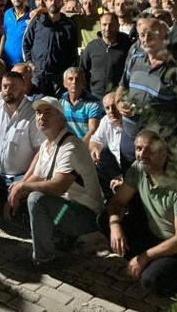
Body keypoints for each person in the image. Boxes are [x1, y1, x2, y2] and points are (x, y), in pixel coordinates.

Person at [102, 130, 177, 297]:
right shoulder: (139, 168)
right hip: (157, 234)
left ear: (163, 154)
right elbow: (117, 202)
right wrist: (115, 227)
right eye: (138, 149)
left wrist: (144, 257)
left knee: (152, 280)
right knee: (106, 220)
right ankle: (144, 264)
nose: (142, 155)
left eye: (150, 150)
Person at [7, 97, 104, 268]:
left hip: (85, 215)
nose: (42, 116)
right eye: (38, 113)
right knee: (21, 203)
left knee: (36, 199)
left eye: (48, 112)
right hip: (65, 207)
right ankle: (60, 237)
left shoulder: (71, 146)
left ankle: (44, 259)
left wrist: (23, 186)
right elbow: (37, 176)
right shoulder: (47, 145)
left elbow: (58, 186)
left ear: (61, 118)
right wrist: (15, 192)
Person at [116, 18, 177, 168]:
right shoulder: (134, 60)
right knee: (130, 181)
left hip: (159, 148)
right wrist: (119, 102)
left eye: (151, 35)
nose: (145, 39)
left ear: (165, 37)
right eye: (142, 35)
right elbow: (122, 87)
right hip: (130, 142)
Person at [0, 71, 44, 206]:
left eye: (13, 87)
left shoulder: (33, 113)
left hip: (21, 176)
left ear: (23, 87)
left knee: (24, 199)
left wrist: (24, 182)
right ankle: (3, 201)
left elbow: (40, 152)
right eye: (5, 86)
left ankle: (11, 202)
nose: (8, 90)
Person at [22, 0, 79, 96]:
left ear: (62, 3)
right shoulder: (37, 21)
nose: (53, 3)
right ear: (46, 2)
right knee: (37, 102)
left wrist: (67, 70)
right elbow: (26, 43)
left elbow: (73, 49)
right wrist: (30, 63)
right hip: (38, 73)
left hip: (59, 76)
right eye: (51, 0)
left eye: (57, 0)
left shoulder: (69, 25)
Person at [80, 12, 132, 99]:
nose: (107, 28)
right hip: (94, 97)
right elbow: (83, 70)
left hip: (117, 97)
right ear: (100, 26)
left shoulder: (127, 47)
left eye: (111, 25)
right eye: (104, 25)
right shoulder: (92, 47)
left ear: (118, 25)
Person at [59, 67, 104, 144]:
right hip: (67, 144)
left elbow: (93, 130)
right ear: (64, 84)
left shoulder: (94, 103)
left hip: (86, 144)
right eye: (70, 79)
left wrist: (79, 147)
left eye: (77, 79)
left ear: (83, 84)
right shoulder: (61, 100)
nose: (74, 82)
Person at [2, 0, 30, 67]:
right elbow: (4, 35)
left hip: (24, 61)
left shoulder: (31, 14)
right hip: (7, 60)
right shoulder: (7, 13)